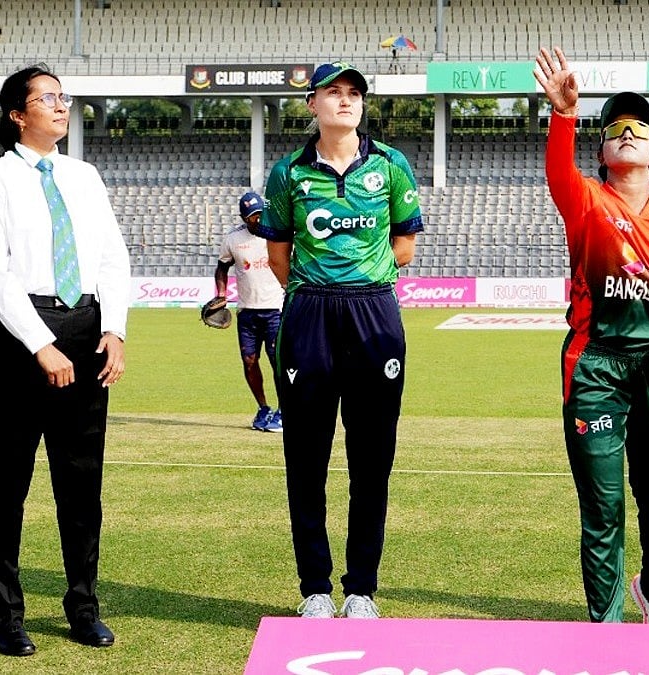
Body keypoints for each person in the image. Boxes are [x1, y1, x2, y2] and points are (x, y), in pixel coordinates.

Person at [534, 47, 649, 624]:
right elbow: (558, 172)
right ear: (603, 150)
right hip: (596, 365)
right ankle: (605, 632)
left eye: (640, 128)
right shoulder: (585, 199)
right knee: (604, 506)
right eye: (615, 128)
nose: (627, 134)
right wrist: (563, 115)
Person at [0, 65, 130, 656]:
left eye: (63, 97)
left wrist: (113, 328)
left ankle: (83, 606)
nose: (61, 106)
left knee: (82, 483)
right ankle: (3, 616)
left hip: (85, 328)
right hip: (17, 335)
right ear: (18, 114)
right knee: (7, 483)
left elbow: (112, 257)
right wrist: (39, 343)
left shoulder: (83, 176)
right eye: (47, 98)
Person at [259, 61, 423, 620]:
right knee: (305, 457)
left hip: (374, 312)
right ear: (312, 105)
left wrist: (361, 278)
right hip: (309, 316)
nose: (346, 101)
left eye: (354, 93)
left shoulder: (392, 165)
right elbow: (278, 256)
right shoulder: (287, 174)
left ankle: (361, 590)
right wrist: (319, 289)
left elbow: (406, 245)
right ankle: (315, 590)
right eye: (334, 92)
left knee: (371, 458)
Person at [215, 191, 284, 432]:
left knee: (278, 362)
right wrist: (222, 295)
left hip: (276, 309)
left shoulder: (277, 234)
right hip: (247, 312)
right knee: (249, 361)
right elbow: (222, 267)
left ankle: (284, 410)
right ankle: (263, 408)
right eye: (252, 216)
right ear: (244, 218)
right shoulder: (233, 238)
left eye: (259, 214)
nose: (257, 219)